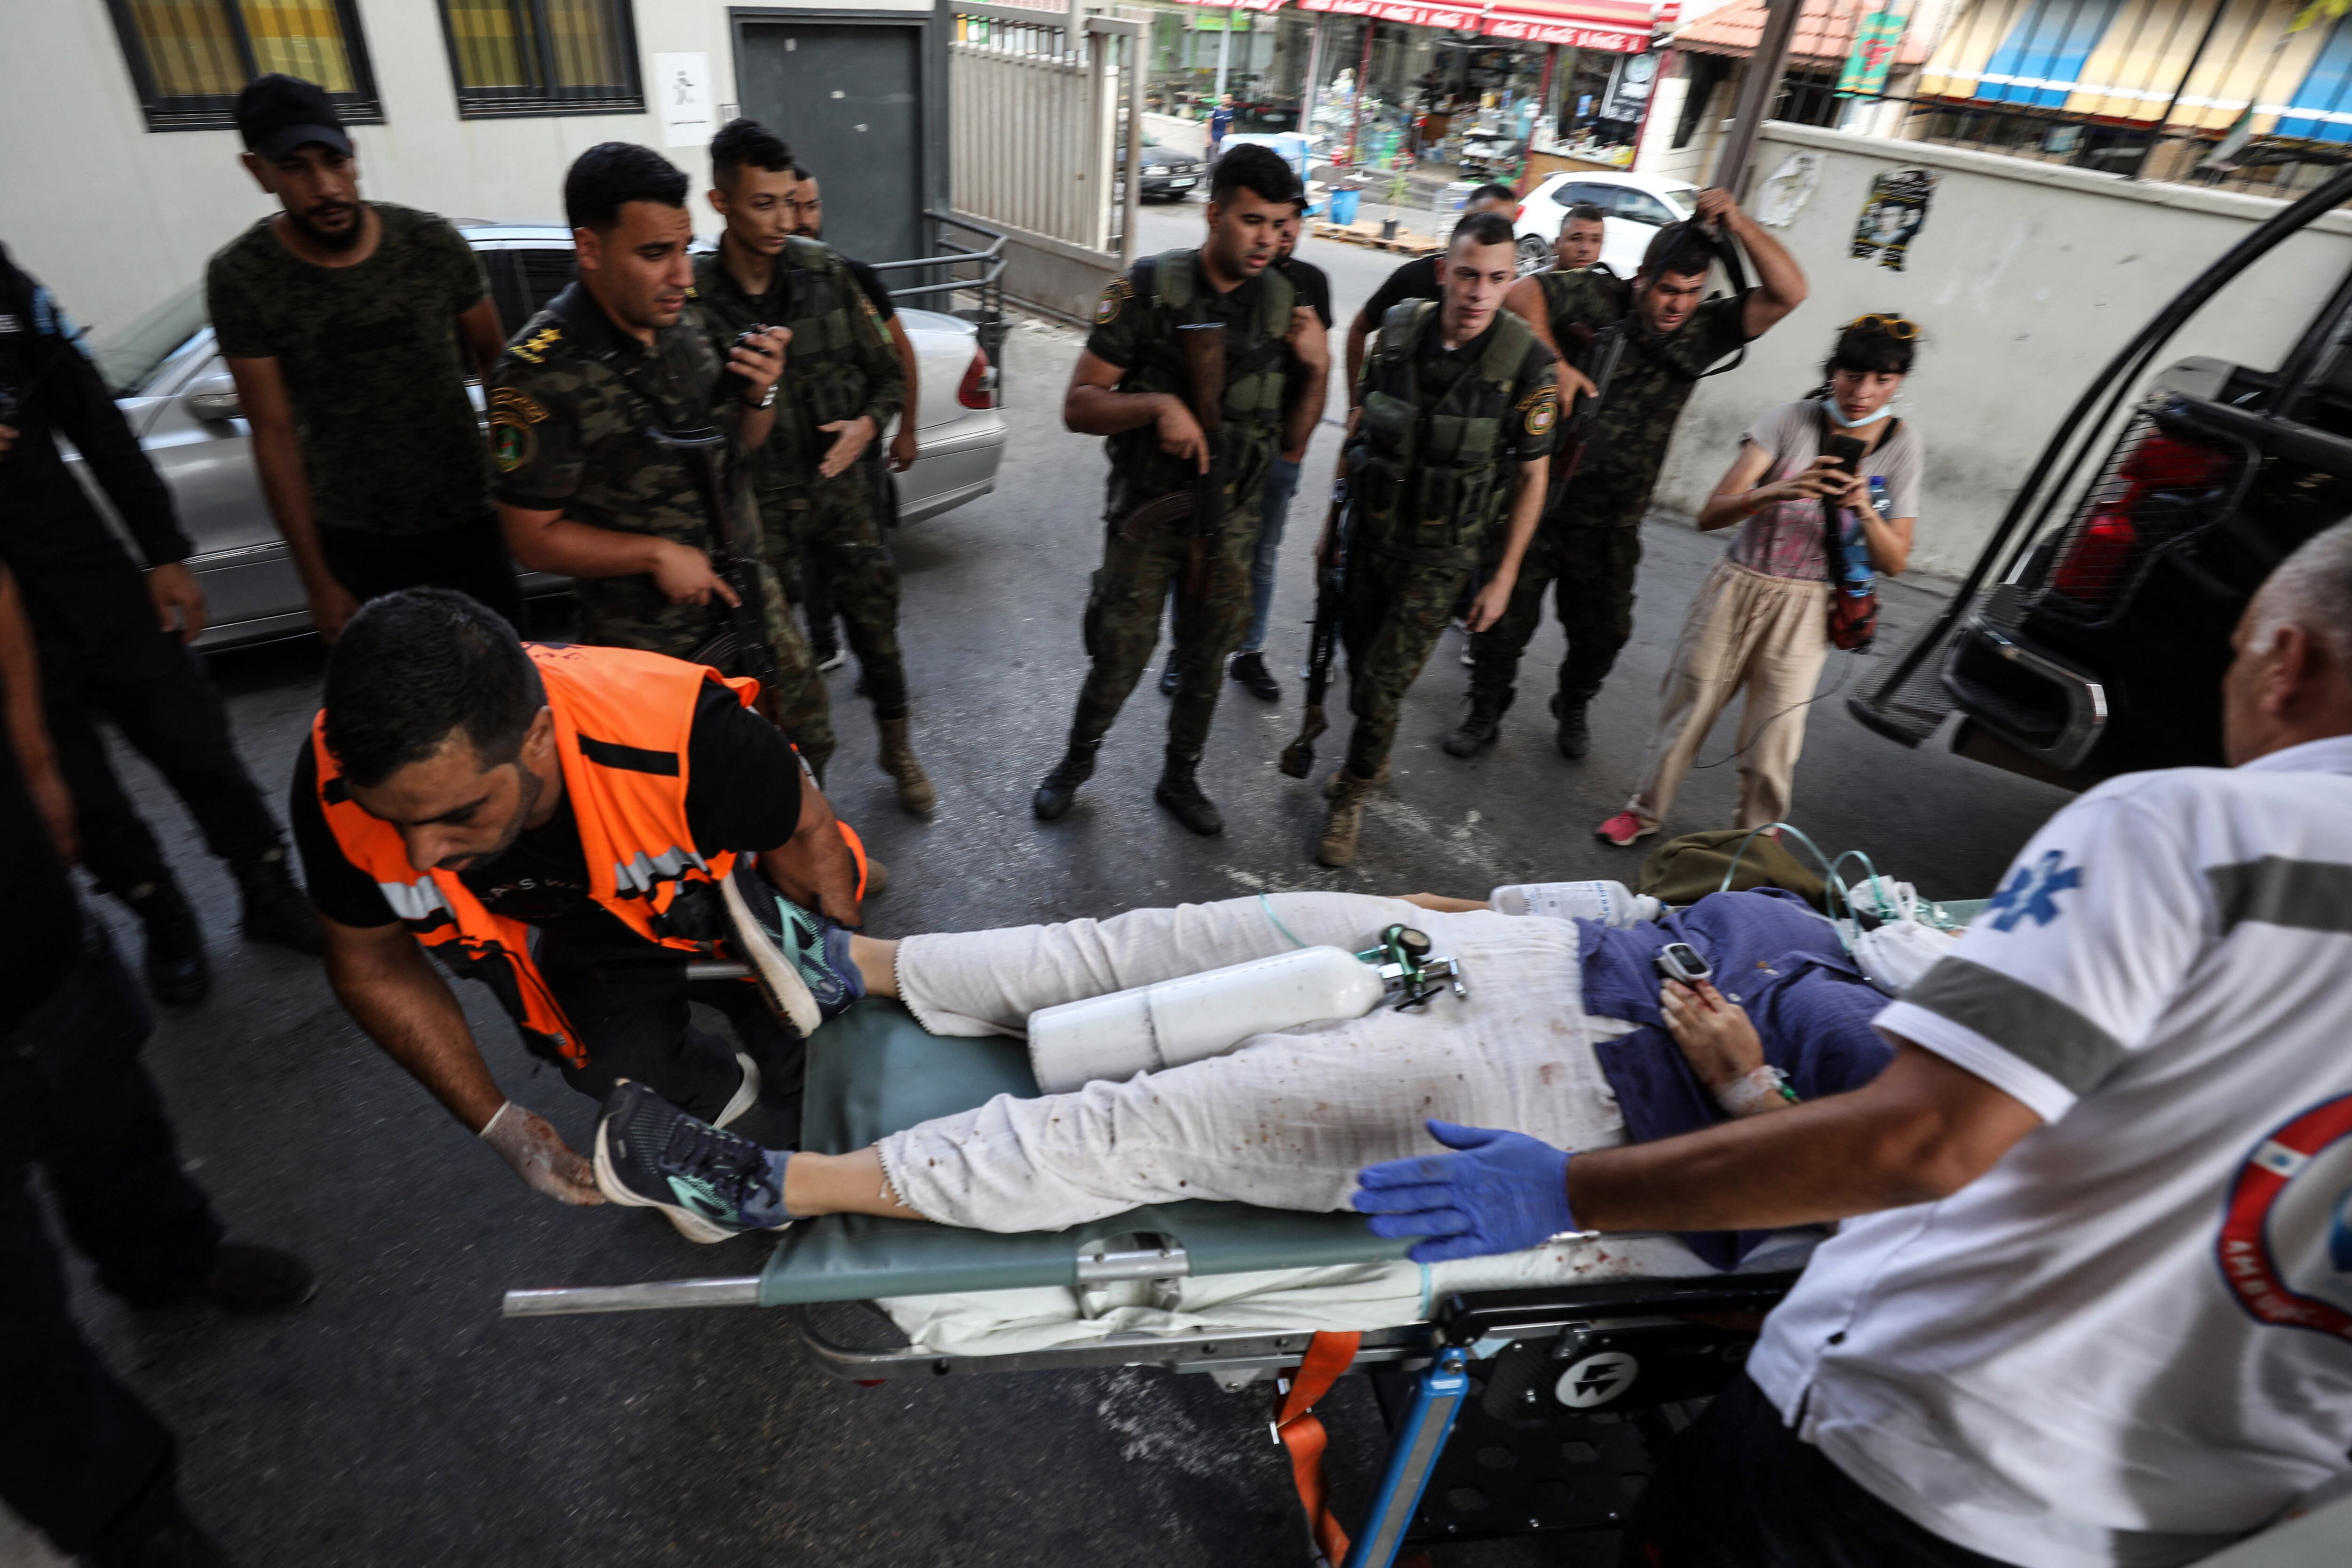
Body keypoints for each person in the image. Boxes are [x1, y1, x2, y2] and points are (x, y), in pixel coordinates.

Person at [1350, 520, 2352, 1568]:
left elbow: (1920, 1143)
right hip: (2166, 1525)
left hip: (1904, 1455)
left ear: (2282, 661)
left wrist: (1592, 1180)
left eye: (2235, 656)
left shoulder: (2200, 835)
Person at [584, 878, 1893, 1253]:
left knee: (1165, 1120)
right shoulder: (1826, 924)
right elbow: (1628, 906)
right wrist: (1450, 909)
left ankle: (770, 1185)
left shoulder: (1939, 1062)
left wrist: (1742, 1089)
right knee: (1153, 946)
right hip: (1510, 950)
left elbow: (1872, 1192)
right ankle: (850, 967)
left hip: (1574, 1097)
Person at [292, 589, 863, 1231]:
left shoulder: (688, 733)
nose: (422, 857)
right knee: (616, 1066)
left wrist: (840, 991)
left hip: (739, 900)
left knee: (823, 1072)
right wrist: (498, 1123)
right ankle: (716, 1089)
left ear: (537, 737)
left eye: (461, 814)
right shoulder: (337, 783)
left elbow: (809, 833)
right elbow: (372, 964)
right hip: (589, 925)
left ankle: (807, 1118)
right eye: (392, 820)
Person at [0, 564, 316, 1568]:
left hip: (31, 936)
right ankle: (125, 1517)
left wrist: (37, 753)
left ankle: (169, 1259)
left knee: (115, 1121)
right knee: (12, 1329)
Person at [0, 244, 318, 1004]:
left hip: (90, 574)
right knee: (82, 795)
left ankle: (267, 888)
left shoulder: (9, 294)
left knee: (194, 740)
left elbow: (98, 424)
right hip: (7, 625)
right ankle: (161, 915)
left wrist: (166, 554)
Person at [488, 143, 835, 779]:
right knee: (694, 788)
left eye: (683, 248)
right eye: (655, 255)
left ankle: (813, 857)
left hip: (753, 602)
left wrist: (764, 391)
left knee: (804, 736)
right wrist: (652, 554)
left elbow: (741, 445)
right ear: (590, 249)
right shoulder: (537, 373)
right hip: (649, 643)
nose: (682, 274)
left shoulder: (690, 316)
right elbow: (530, 540)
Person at [1031, 144, 1329, 836]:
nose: (1267, 239)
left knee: (1205, 661)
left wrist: (1315, 369)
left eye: (1280, 224)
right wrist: (1156, 406)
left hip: (1231, 522)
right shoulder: (1147, 289)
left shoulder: (1290, 302)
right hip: (1147, 516)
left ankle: (1180, 777)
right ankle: (1075, 764)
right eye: (1253, 221)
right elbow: (1078, 404)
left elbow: (1293, 442)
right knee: (1120, 656)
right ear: (1214, 212)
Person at [1452, 191, 1808, 761]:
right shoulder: (1598, 294)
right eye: (1667, 289)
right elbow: (1522, 293)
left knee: (1604, 635)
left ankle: (1573, 703)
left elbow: (1790, 292)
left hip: (1613, 520)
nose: (1676, 305)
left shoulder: (1703, 329)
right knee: (1502, 626)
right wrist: (1556, 363)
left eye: (1691, 294)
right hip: (1540, 502)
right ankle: (1484, 710)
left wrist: (1737, 221)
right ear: (1642, 278)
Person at [1597, 314, 1923, 849]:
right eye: (1852, 375)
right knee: (1688, 702)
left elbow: (1896, 561)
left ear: (1898, 383)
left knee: (1775, 734)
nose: (1864, 392)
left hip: (1807, 605)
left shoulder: (1901, 446)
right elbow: (1710, 514)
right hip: (1738, 583)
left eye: (1882, 380)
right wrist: (1778, 490)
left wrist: (1864, 508)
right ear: (1832, 370)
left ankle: (1756, 840)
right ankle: (1643, 810)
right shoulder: (1790, 421)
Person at [208, 74, 519, 634]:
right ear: (259, 172)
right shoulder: (243, 278)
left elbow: (499, 368)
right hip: (356, 543)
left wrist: (521, 490)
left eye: (333, 160)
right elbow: (273, 437)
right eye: (296, 168)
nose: (325, 186)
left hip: (469, 524)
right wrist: (318, 583)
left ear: (353, 153)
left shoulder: (430, 244)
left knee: (510, 693)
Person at [695, 122, 931, 814]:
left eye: (787, 200)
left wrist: (868, 424)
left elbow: (886, 373)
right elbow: (702, 432)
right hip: (759, 513)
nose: (780, 220)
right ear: (721, 202)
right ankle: (806, 803)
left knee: (878, 632)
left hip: (845, 497)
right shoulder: (697, 302)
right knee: (777, 665)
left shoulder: (825, 273)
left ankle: (898, 748)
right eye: (760, 204)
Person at [1312, 211, 1559, 868]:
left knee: (1379, 685)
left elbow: (1534, 479)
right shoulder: (1396, 335)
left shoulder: (1528, 364)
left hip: (1442, 558)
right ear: (1444, 271)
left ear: (1513, 281)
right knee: (1360, 660)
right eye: (1469, 275)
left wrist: (1504, 577)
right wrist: (1328, 527)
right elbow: (1360, 432)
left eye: (1498, 279)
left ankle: (1351, 796)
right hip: (1369, 536)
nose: (1480, 292)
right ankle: (1375, 749)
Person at [783, 161, 927, 677]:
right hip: (793, 461)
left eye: (812, 205)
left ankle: (878, 661)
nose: (803, 218)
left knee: (868, 564)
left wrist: (905, 430)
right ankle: (823, 643)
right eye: (792, 205)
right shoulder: (758, 286)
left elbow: (899, 354)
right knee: (811, 562)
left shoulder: (851, 275)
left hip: (856, 456)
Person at [1223, 194, 1331, 703]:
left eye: (1290, 222)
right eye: (1271, 221)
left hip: (1279, 451)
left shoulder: (1313, 283)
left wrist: (1297, 450)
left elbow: (1319, 369)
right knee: (1197, 548)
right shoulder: (1231, 277)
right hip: (1223, 445)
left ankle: (1249, 652)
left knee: (1262, 555)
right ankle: (1183, 653)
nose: (1282, 232)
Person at [1342, 183, 1518, 403]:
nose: (1481, 293)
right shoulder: (1414, 278)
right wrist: (1355, 404)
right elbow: (1360, 329)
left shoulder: (1514, 297)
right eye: (1468, 275)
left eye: (1505, 228)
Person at [1208, 94, 1236, 160]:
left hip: (1225, 140)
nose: (1227, 100)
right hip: (1215, 139)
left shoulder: (1231, 111)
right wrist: (1208, 138)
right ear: (1221, 100)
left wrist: (1231, 137)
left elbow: (1230, 125)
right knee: (1214, 159)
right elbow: (1209, 124)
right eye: (1225, 98)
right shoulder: (1214, 110)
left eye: (1229, 98)